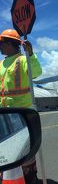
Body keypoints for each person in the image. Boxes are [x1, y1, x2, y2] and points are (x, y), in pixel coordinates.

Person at [0, 29, 42, 183]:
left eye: (2, 43)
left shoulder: (23, 60)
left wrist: (30, 55)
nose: (0, 46)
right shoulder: (1, 63)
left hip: (20, 113)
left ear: (11, 44)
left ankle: (30, 176)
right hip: (4, 113)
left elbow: (36, 72)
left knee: (23, 148)